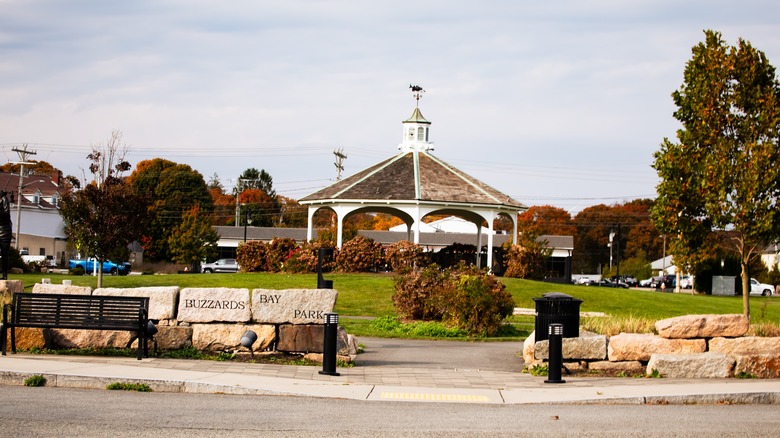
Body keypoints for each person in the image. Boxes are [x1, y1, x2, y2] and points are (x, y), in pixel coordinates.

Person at [0, 190, 12, 280]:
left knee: (4, 253)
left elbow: (6, 213)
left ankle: (4, 275)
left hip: (4, 229)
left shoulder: (4, 199)